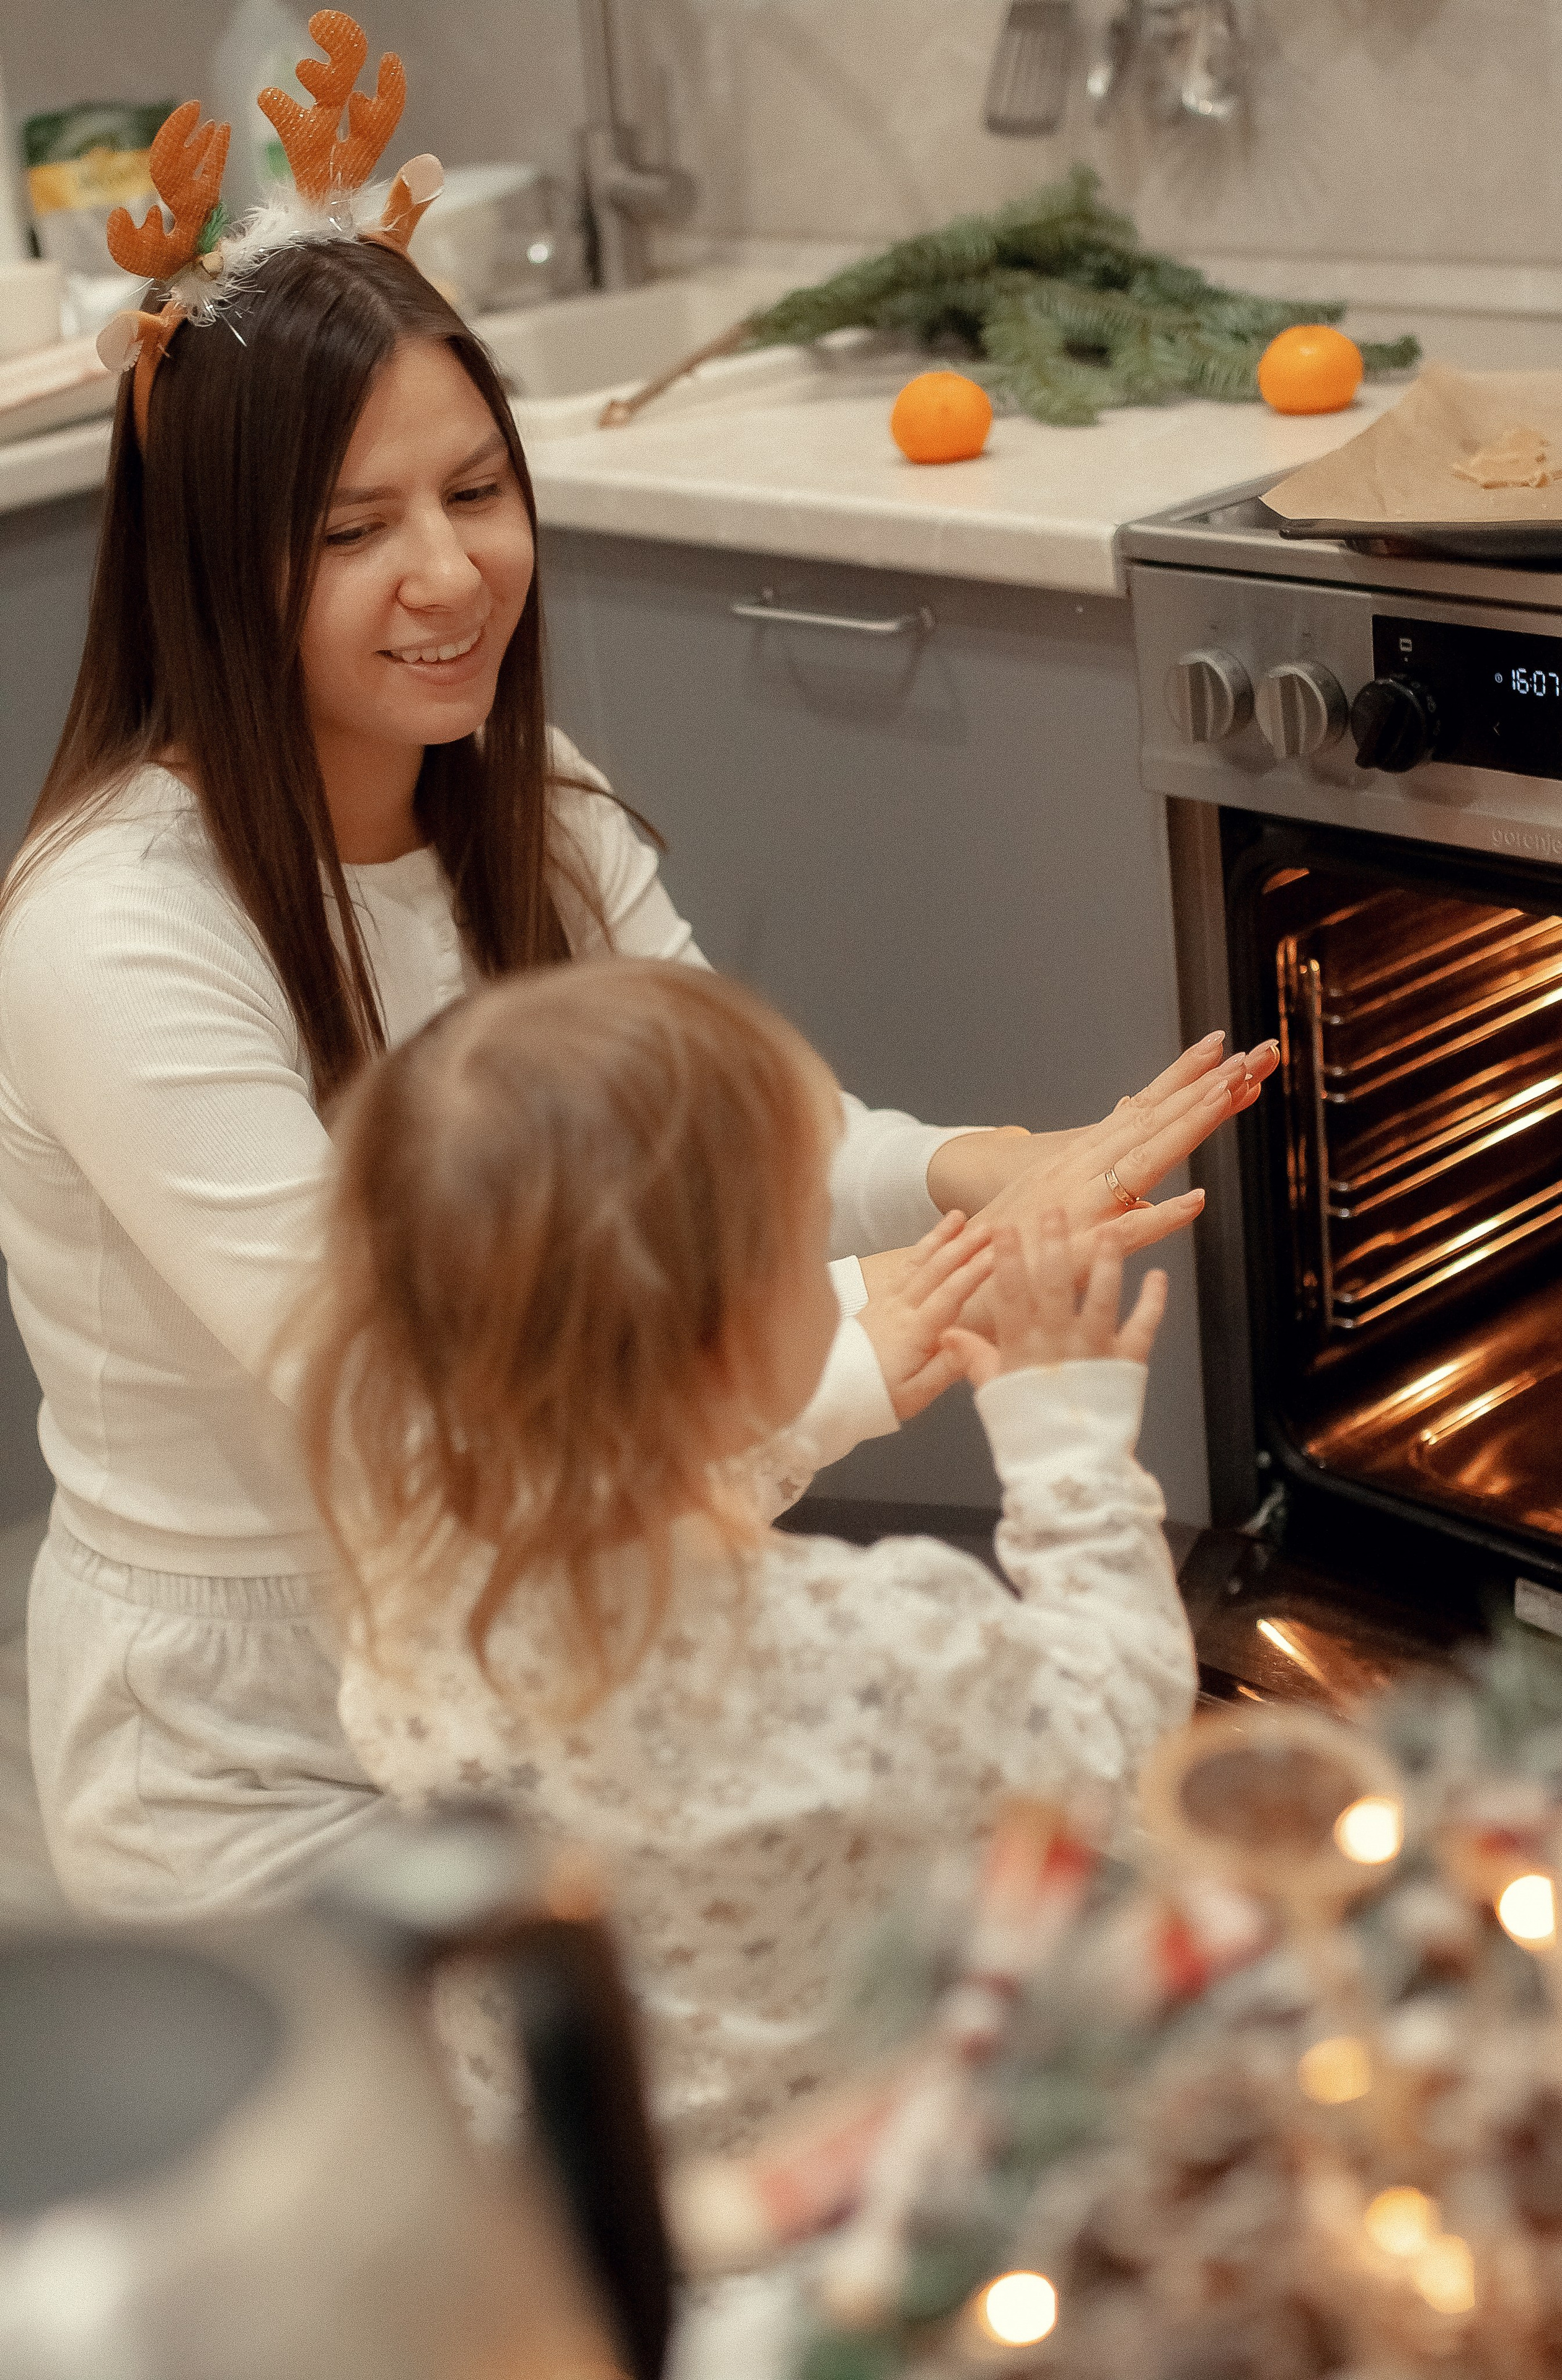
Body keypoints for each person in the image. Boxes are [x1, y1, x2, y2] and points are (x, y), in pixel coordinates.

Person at [0, 23, 1271, 1921]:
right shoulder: (112, 930)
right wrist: (866, 1353)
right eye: (353, 531)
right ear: (208, 567)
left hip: (573, 1664)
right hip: (252, 1773)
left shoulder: (528, 798)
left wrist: (979, 1170)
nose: (450, 576)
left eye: (476, 492)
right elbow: (413, 1418)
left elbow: (745, 1145)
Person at [300, 957, 1197, 2156]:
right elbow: (1117, 1735)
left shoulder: (404, 1590)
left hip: (582, 2188)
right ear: (726, 1336)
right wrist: (1064, 1443)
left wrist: (831, 1396)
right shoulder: (858, 1641)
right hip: (835, 2197)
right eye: (802, 1225)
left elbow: (620, 1512)